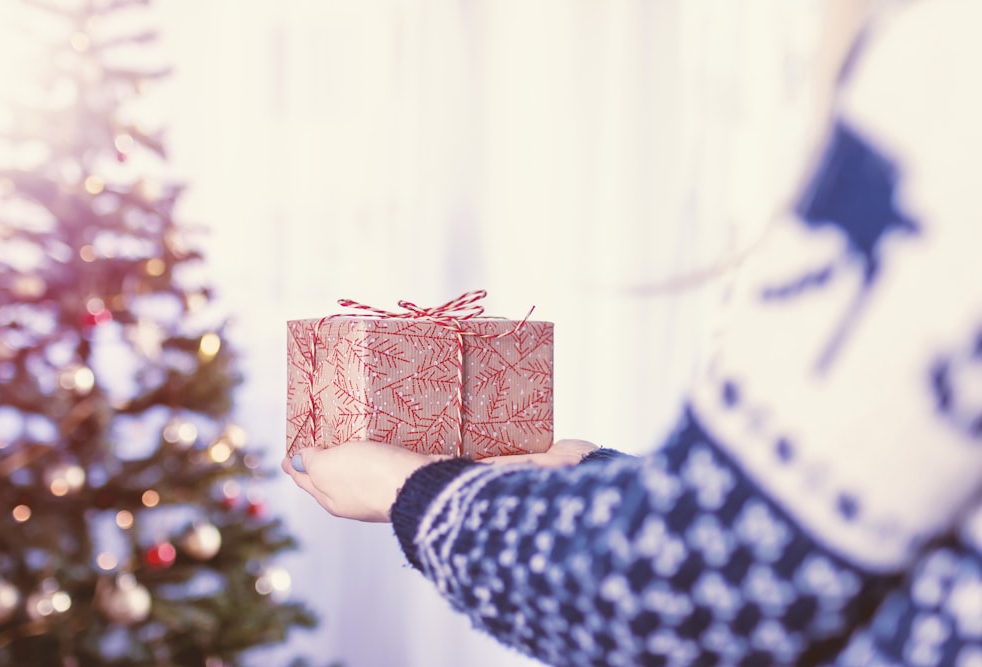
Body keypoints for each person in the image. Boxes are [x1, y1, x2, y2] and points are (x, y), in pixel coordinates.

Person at [284, 1, 982, 664]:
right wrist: (603, 475)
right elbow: (808, 529)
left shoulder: (948, 72)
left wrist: (404, 487)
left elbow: (683, 584)